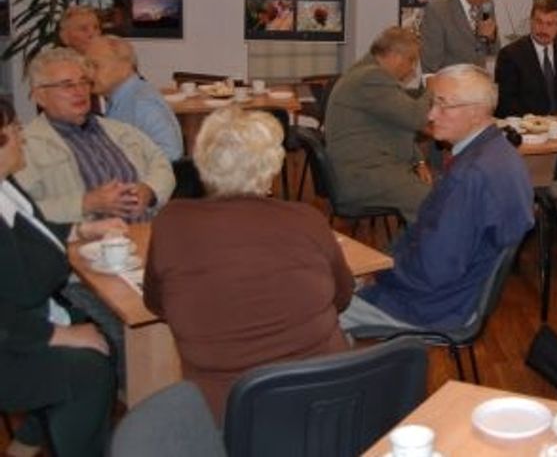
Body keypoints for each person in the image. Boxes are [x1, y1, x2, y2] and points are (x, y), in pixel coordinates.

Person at [143, 107, 354, 422]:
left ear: (201, 161)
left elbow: (157, 304)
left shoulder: (170, 223)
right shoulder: (306, 219)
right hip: (322, 400)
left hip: (228, 413)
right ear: (272, 165)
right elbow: (342, 297)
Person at [341, 64, 533, 330]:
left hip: (433, 305)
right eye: (433, 103)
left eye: (443, 105)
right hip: (453, 292)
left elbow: (433, 269)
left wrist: (378, 274)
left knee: (315, 314)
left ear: (477, 112)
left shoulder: (469, 176)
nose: (431, 114)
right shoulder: (501, 152)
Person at [1, 97, 126, 457]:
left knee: (106, 336)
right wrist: (60, 335)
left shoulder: (6, 185)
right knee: (88, 370)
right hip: (11, 343)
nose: (21, 137)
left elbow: (34, 230)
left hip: (32, 317)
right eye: (13, 130)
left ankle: (27, 441)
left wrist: (82, 230)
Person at [16, 48, 174, 224]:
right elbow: (19, 212)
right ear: (40, 96)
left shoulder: (120, 130)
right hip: (80, 246)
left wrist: (150, 190)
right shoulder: (24, 146)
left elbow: (161, 162)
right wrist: (86, 204)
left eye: (84, 82)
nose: (79, 91)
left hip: (144, 237)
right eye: (67, 85)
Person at [325, 26, 433, 224]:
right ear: (395, 55)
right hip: (362, 175)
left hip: (365, 167)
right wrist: (432, 89)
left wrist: (419, 162)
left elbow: (398, 124)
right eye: (411, 61)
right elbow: (416, 118)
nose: (412, 69)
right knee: (434, 203)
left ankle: (415, 248)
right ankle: (418, 252)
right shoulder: (372, 78)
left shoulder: (365, 71)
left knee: (437, 198)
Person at [86, 34, 183, 161]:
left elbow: (172, 153)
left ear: (125, 65)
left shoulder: (142, 102)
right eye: (87, 67)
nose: (89, 74)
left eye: (96, 66)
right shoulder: (120, 98)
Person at [494, 0, 557, 118]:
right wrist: (537, 123)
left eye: (549, 24)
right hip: (527, 127)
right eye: (539, 22)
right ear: (531, 21)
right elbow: (506, 103)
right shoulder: (511, 55)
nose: (543, 29)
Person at [420, 0, 498, 72]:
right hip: (448, 86)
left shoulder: (487, 4)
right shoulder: (437, 9)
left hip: (477, 83)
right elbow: (431, 65)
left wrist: (491, 37)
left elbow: (494, 50)